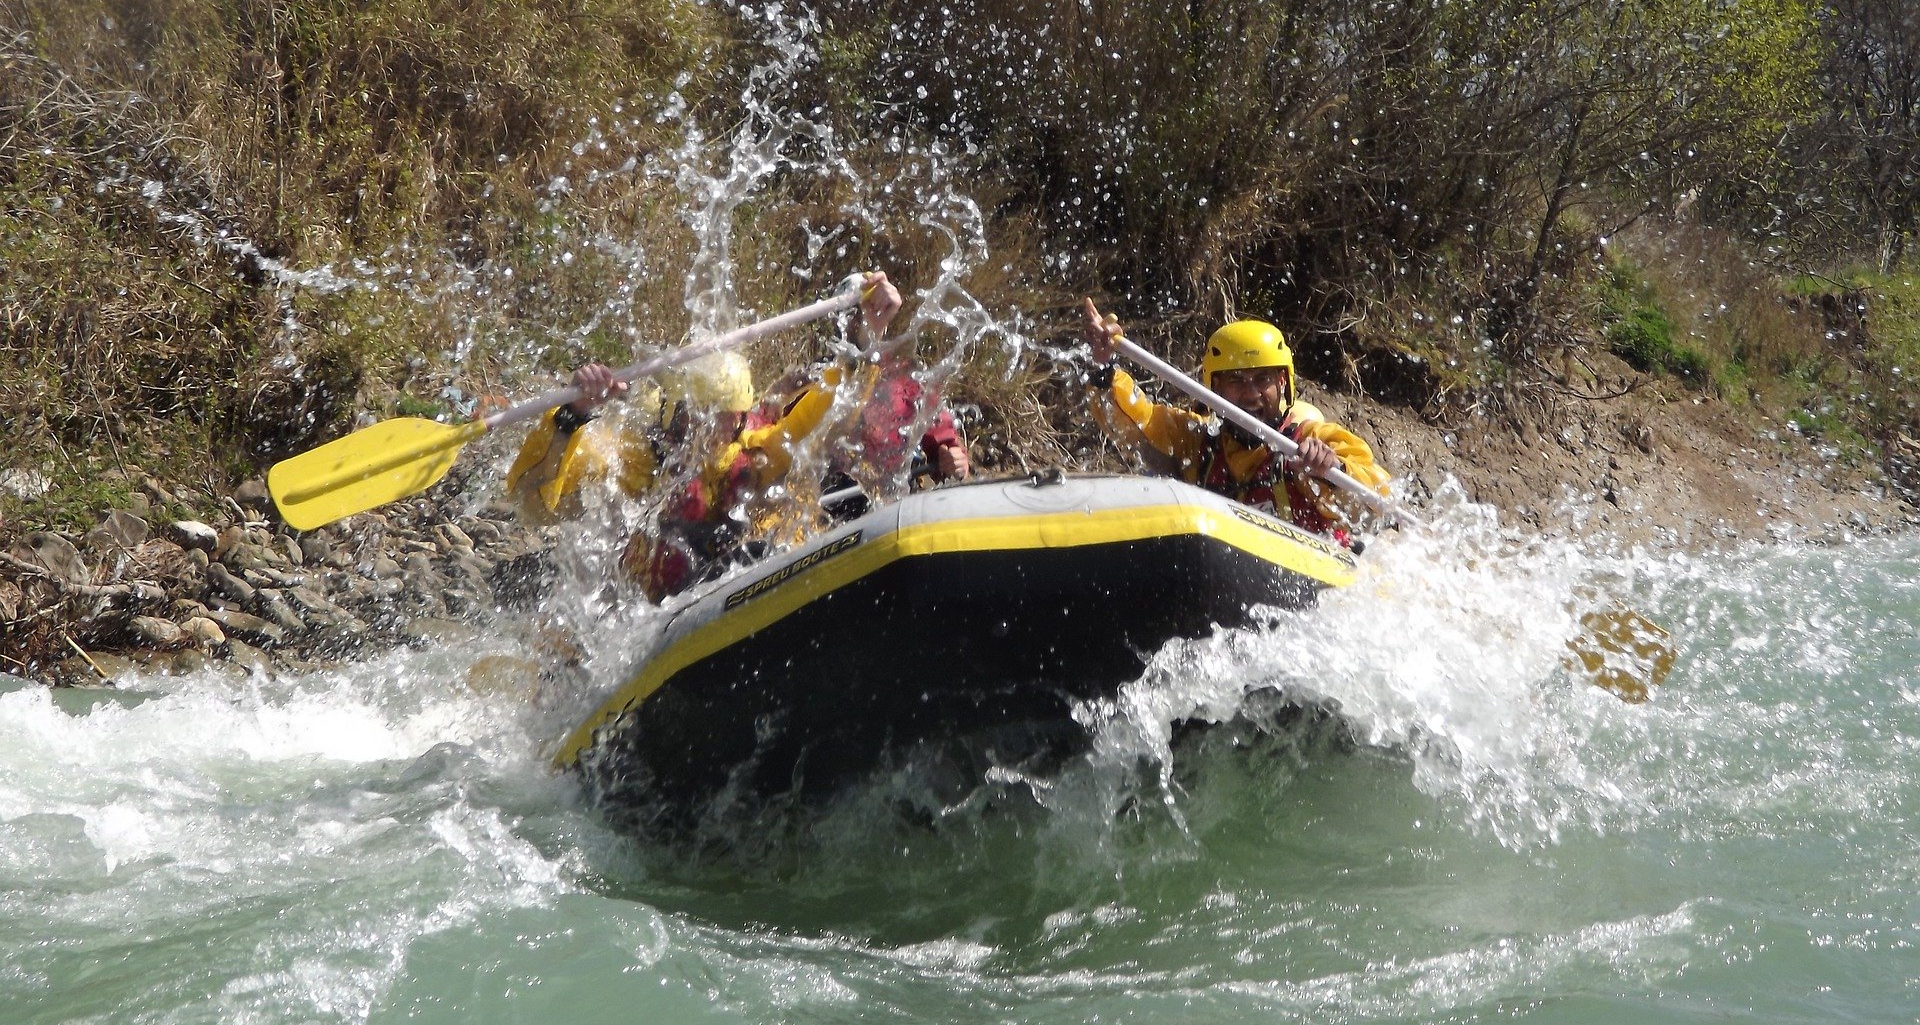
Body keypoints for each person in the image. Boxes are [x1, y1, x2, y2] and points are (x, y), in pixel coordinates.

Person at [505, 273, 970, 599]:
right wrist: (572, 415)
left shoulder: (752, 448)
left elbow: (822, 409)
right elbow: (533, 502)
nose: (712, 433)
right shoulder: (634, 458)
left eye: (725, 420)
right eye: (698, 418)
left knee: (767, 540)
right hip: (649, 603)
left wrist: (869, 334)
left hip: (740, 569)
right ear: (672, 412)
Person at [1080, 298, 1389, 545]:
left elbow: (1379, 491)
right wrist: (1104, 366)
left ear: (1282, 382)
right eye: (1236, 381)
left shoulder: (1314, 438)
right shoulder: (1195, 439)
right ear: (1215, 388)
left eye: (1262, 379)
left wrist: (1331, 471)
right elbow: (1135, 418)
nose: (1251, 393)